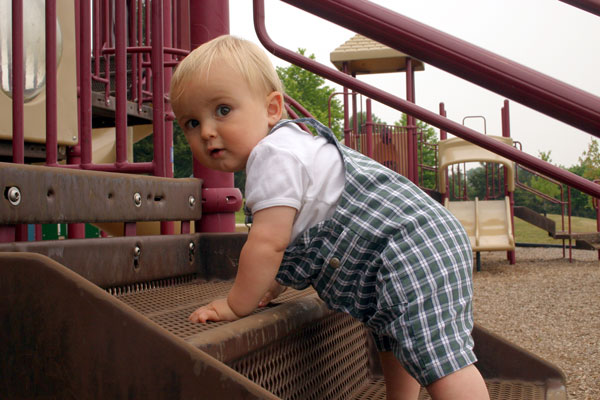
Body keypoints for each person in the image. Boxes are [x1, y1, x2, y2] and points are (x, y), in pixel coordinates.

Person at [169, 34, 489, 400]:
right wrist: (270, 284)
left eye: (222, 110)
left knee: (440, 360)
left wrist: (235, 304)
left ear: (273, 109)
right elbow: (296, 237)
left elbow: (268, 243)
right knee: (394, 335)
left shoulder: (271, 156)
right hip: (411, 243)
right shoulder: (293, 146)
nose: (207, 130)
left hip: (408, 247)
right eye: (191, 123)